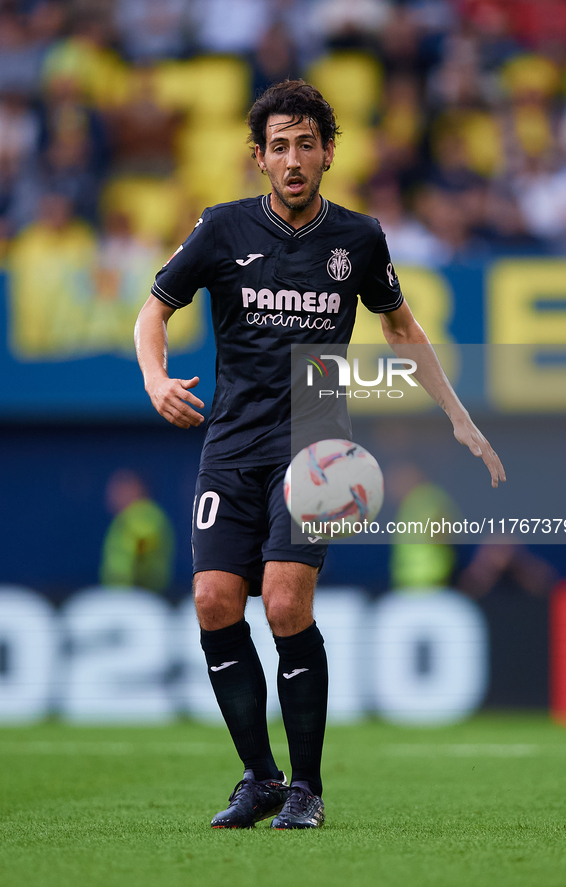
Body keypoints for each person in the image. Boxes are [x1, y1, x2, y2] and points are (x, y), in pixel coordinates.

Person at [134, 79, 505, 830]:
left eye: (307, 143)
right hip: (232, 440)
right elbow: (153, 310)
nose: (293, 158)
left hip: (317, 441)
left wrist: (460, 419)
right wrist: (153, 376)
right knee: (212, 601)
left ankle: (306, 786)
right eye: (279, 146)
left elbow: (402, 329)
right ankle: (259, 777)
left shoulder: (359, 238)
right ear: (259, 159)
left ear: (328, 153)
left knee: (281, 600)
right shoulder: (220, 229)